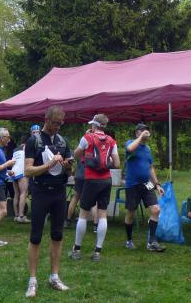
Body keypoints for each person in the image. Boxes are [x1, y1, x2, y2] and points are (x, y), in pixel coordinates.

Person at [23, 105, 74, 298]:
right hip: (41, 192)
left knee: (57, 235)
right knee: (35, 237)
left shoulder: (63, 141)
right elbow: (28, 171)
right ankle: (32, 280)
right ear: (46, 119)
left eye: (60, 124)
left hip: (59, 193)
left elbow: (70, 171)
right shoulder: (34, 141)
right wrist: (49, 164)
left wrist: (68, 166)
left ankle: (54, 276)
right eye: (55, 123)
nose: (57, 127)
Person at [69, 114, 119, 262]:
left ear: (94, 125)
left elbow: (76, 154)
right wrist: (106, 163)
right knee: (102, 214)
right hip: (106, 180)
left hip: (90, 180)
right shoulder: (111, 141)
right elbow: (117, 164)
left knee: (83, 214)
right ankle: (97, 252)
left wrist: (85, 148)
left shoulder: (87, 137)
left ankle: (77, 249)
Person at [123, 122, 165, 252]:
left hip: (147, 184)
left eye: (147, 130)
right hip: (132, 184)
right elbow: (130, 149)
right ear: (137, 133)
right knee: (130, 213)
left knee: (156, 210)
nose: (146, 132)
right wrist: (141, 137)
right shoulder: (130, 143)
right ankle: (129, 240)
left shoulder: (148, 149)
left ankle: (151, 242)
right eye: (142, 130)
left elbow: (151, 167)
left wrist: (157, 184)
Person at [10, 134, 29, 223]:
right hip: (22, 172)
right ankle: (21, 216)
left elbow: (13, 161)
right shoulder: (26, 148)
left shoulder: (15, 150)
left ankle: (16, 215)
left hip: (14, 172)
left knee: (16, 194)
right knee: (23, 193)